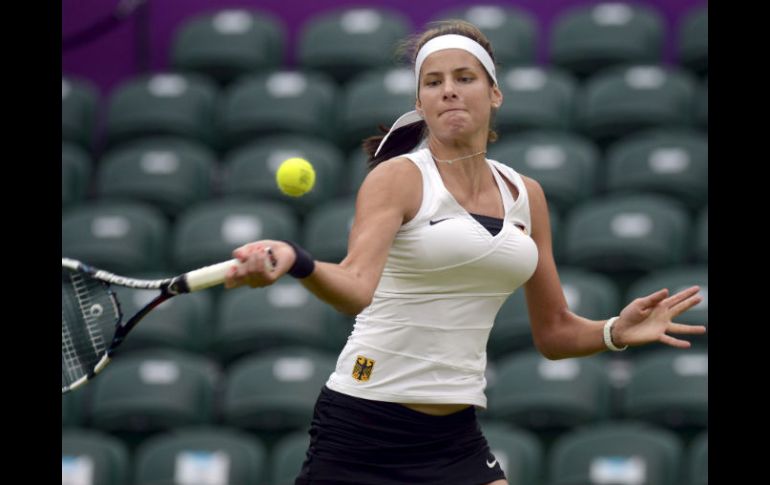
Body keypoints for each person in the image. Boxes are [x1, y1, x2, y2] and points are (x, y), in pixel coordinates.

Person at [224, 20, 706, 485]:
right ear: (420, 103)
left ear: (494, 93)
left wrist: (613, 331)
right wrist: (297, 260)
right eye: (434, 82)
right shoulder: (398, 178)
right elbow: (354, 288)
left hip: (454, 434)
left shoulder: (526, 195)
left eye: (464, 78)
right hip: (363, 426)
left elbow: (555, 331)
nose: (449, 91)